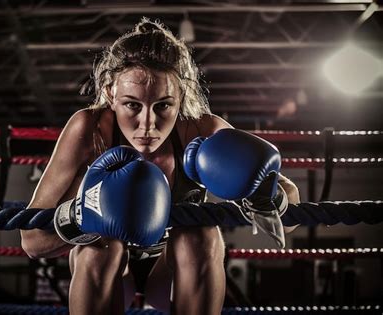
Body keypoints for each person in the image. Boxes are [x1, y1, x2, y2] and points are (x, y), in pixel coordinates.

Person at [20, 18, 300, 315]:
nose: (148, 124)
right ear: (110, 93)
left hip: (173, 273)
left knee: (200, 233)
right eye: (132, 105)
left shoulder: (200, 130)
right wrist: (83, 215)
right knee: (101, 247)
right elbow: (31, 241)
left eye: (163, 105)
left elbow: (289, 208)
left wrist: (265, 196)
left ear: (182, 97)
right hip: (107, 272)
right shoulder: (90, 130)